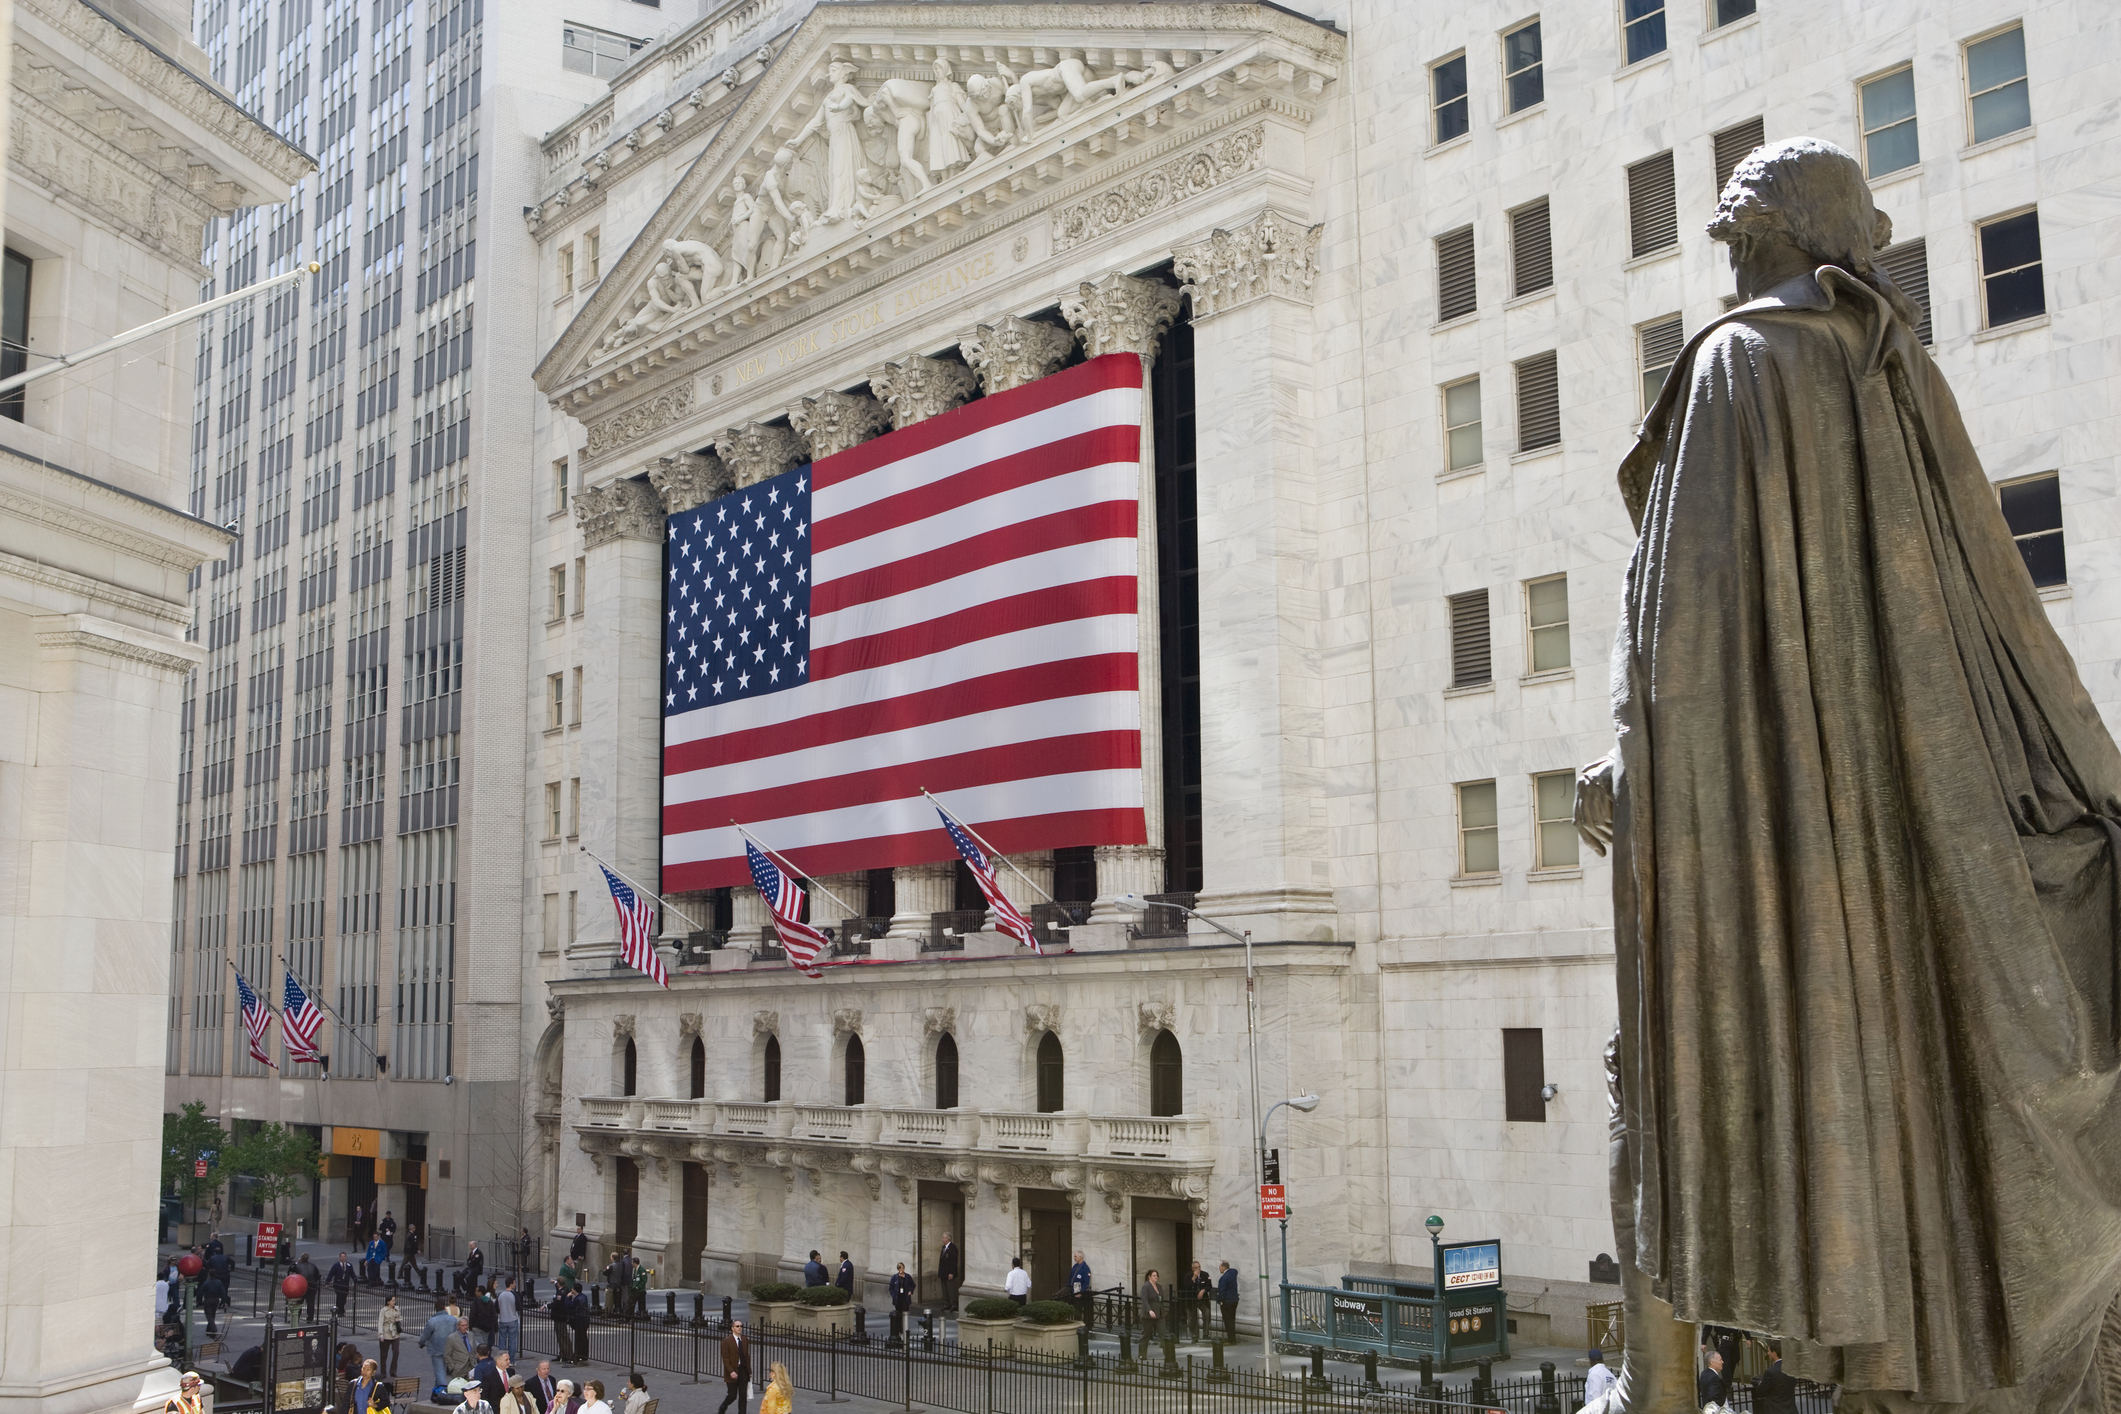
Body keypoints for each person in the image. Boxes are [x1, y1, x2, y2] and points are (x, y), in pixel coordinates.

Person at [1585, 135, 2121, 1413]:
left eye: (1735, 229)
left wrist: (1634, 758)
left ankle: (1876, 1338)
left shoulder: (1738, 363)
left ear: (1760, 232)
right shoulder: (1899, 370)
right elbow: (1992, 604)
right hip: (1917, 810)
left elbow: (1681, 615)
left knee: (1825, 1069)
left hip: (1807, 812)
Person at [422, 1302, 460, 1392]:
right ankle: (437, 1390)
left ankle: (442, 1390)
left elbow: (425, 1335)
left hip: (436, 1348)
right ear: (444, 1308)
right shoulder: (453, 1320)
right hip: (450, 1349)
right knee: (448, 1371)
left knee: (439, 1371)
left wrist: (421, 1343)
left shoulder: (432, 1321)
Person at [717, 1319, 752, 1414]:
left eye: (741, 1326)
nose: (739, 1328)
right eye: (737, 1326)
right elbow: (725, 1358)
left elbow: (746, 1356)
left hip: (743, 1370)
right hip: (733, 1371)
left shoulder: (744, 1340)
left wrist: (749, 1371)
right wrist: (731, 1371)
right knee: (732, 1395)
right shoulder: (727, 1341)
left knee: (743, 1396)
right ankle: (723, 1406)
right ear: (732, 1328)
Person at [1752, 1347, 1799, 1414]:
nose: (1768, 1353)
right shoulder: (1792, 1369)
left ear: (1774, 1353)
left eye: (1769, 1351)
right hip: (1791, 1409)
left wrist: (1760, 1383)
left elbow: (1760, 1391)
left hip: (1775, 1410)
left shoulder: (1770, 1372)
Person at [377, 1294, 404, 1378]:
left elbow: (401, 1318)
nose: (394, 1302)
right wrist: (380, 1334)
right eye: (392, 1300)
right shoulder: (383, 1311)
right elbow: (380, 1323)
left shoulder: (396, 1309)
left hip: (395, 1333)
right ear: (388, 1302)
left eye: (394, 1300)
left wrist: (399, 1320)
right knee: (384, 1354)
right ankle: (383, 1372)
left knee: (396, 1352)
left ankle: (393, 1371)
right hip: (386, 1333)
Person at [1185, 1261, 1212, 1341]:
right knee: (1192, 1317)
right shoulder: (1188, 1276)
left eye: (1199, 1267)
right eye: (1196, 1267)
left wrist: (1203, 1290)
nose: (1198, 1269)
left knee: (1207, 1314)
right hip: (1192, 1300)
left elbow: (1209, 1286)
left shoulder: (1205, 1275)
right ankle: (1195, 1335)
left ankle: (1206, 1333)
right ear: (1193, 1268)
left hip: (1203, 1300)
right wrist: (1193, 1277)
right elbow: (1187, 1287)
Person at [888, 1262, 914, 1347]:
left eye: (902, 1268)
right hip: (898, 1298)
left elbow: (913, 1285)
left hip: (905, 1298)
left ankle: (904, 1329)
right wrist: (893, 1295)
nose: (901, 1270)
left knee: (905, 1313)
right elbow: (891, 1287)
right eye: (899, 1268)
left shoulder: (908, 1277)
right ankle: (898, 1329)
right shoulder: (894, 1277)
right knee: (897, 1314)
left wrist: (910, 1291)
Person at [566, 1285, 592, 1366]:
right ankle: (584, 1355)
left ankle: (577, 1355)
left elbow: (569, 1306)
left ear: (574, 1290)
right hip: (585, 1320)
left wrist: (568, 1297)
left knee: (579, 1338)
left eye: (572, 1288)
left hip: (579, 1321)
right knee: (583, 1337)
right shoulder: (584, 1296)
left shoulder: (577, 1299)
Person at [444, 1320, 476, 1387]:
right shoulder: (451, 1338)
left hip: (470, 1367)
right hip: (458, 1368)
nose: (465, 1327)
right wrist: (452, 1367)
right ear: (458, 1326)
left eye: (466, 1325)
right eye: (463, 1325)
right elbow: (447, 1355)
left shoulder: (471, 1335)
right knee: (458, 1388)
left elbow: (474, 1350)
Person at [497, 1275, 521, 1360]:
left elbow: (497, 1308)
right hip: (512, 1319)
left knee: (502, 1341)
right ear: (511, 1284)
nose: (515, 1285)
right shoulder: (514, 1295)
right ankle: (511, 1360)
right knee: (512, 1341)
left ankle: (501, 1359)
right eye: (514, 1283)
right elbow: (519, 1308)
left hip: (503, 1320)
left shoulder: (500, 1295)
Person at [198, 1269, 226, 1335]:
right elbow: (222, 1292)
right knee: (212, 1314)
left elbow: (200, 1292)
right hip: (215, 1299)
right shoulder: (219, 1282)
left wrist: (199, 1300)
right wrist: (223, 1300)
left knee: (209, 1315)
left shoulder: (206, 1282)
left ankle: (213, 1328)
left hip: (208, 1299)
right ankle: (209, 1329)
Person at [1215, 1262, 1239, 1343]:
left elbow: (1222, 1291)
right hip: (1234, 1300)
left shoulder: (1223, 1278)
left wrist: (1220, 1300)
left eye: (1220, 1267)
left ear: (1224, 1267)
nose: (1219, 1269)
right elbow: (1235, 1270)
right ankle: (1233, 1338)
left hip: (1227, 1301)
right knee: (1232, 1319)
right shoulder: (1233, 1273)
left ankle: (1231, 1339)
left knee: (1228, 1321)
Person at [937, 1235, 961, 1312]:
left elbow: (954, 1262)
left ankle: (953, 1304)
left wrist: (951, 1273)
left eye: (943, 1237)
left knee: (951, 1289)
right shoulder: (943, 1248)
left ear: (948, 1238)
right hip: (943, 1273)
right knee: (945, 1289)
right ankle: (946, 1304)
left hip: (949, 1273)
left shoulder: (953, 1248)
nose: (942, 1238)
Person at [328, 1252, 357, 1316]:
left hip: (345, 1285)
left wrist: (355, 1280)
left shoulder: (349, 1265)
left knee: (344, 1298)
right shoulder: (336, 1266)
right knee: (339, 1297)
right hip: (338, 1285)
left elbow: (352, 1274)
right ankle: (340, 1311)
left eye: (344, 1257)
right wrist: (327, 1282)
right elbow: (331, 1274)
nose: (343, 1258)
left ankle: (341, 1309)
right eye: (342, 1257)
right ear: (339, 1258)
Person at [1138, 1270, 1163, 1342]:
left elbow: (1161, 1299)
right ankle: (1142, 1353)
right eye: (1154, 1276)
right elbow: (1144, 1299)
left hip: (1159, 1314)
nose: (1156, 1277)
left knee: (1163, 1333)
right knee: (1146, 1334)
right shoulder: (1146, 1287)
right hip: (1148, 1314)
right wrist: (1150, 1310)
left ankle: (1167, 1351)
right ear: (1149, 1277)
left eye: (1156, 1275)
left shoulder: (1159, 1287)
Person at [1068, 1252, 1092, 1324]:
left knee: (1078, 1307)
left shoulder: (1085, 1268)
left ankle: (1077, 1323)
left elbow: (1086, 1282)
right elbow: (1071, 1277)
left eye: (1075, 1256)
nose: (1074, 1258)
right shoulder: (1075, 1266)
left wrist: (1081, 1292)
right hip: (1072, 1289)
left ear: (1080, 1257)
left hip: (1079, 1291)